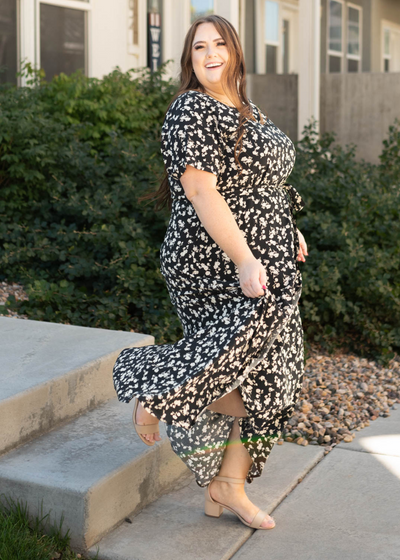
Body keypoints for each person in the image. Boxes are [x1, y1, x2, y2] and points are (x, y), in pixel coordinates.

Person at [113, 14, 308, 531]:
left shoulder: (246, 107)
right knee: (229, 359)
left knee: (277, 379)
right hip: (214, 261)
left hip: (269, 257)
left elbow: (264, 180)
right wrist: (246, 258)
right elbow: (202, 191)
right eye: (199, 46)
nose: (210, 53)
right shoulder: (189, 111)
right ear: (189, 59)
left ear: (236, 51)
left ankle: (229, 484)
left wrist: (288, 227)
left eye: (219, 43)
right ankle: (154, 388)